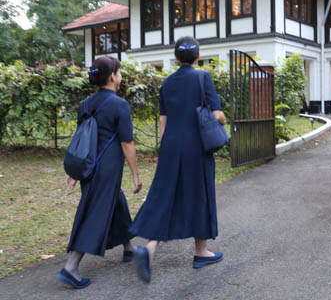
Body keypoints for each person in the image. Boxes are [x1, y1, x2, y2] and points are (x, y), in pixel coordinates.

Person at [129, 36, 226, 283]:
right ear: (197, 56)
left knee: (166, 195)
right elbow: (217, 115)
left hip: (171, 145)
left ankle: (149, 248)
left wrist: (167, 145)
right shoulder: (203, 77)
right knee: (200, 193)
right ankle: (201, 252)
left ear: (175, 58)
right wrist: (220, 120)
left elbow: (164, 119)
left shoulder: (167, 83)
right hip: (196, 147)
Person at [57, 56, 142, 289]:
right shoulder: (119, 105)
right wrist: (136, 174)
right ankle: (71, 267)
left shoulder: (85, 104)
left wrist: (75, 171)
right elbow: (127, 144)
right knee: (96, 211)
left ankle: (128, 248)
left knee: (116, 202)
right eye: (120, 72)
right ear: (113, 76)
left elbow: (83, 138)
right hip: (108, 168)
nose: (121, 76)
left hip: (89, 167)